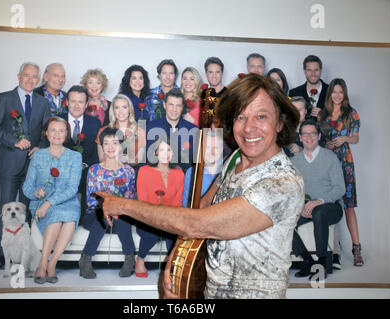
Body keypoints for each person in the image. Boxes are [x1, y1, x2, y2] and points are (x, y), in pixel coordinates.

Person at [98, 74, 303, 299]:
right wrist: (175, 263)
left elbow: (198, 223)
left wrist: (123, 205)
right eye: (241, 116)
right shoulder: (235, 158)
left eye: (261, 116)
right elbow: (201, 207)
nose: (249, 128)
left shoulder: (282, 184)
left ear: (280, 122)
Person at [0, 62, 51, 270]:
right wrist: (13, 141)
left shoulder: (42, 102)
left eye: (35, 76)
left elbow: (47, 131)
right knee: (5, 208)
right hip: (9, 162)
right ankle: (1, 253)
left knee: (25, 211)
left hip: (32, 165)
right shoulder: (4, 98)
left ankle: (23, 252)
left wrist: (41, 147)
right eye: (27, 75)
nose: (31, 80)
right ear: (18, 76)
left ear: (39, 79)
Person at [22, 116, 83, 284]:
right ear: (46, 134)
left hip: (67, 201)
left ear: (66, 135)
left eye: (61, 131)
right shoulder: (38, 156)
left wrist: (49, 203)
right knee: (57, 217)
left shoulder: (75, 157)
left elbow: (72, 188)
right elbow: (26, 187)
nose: (57, 134)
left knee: (69, 217)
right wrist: (36, 193)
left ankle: (51, 264)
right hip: (41, 204)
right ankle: (43, 263)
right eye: (53, 130)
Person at [78, 127, 136, 279]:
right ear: (102, 146)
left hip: (119, 217)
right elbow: (91, 199)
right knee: (102, 216)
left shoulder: (129, 171)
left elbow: (129, 198)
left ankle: (130, 258)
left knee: (124, 218)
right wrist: (108, 209)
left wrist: (117, 210)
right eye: (106, 143)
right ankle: (85, 259)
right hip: (95, 216)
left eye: (115, 143)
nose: (110, 147)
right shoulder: (94, 170)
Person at [291, 120, 345, 278]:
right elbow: (293, 190)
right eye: (305, 134)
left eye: (313, 133)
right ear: (300, 137)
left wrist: (318, 201)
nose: (309, 137)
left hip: (329, 206)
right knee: (283, 219)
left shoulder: (330, 158)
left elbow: (340, 188)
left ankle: (321, 263)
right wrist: (301, 205)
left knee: (319, 213)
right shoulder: (295, 162)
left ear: (319, 136)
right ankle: (308, 262)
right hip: (306, 206)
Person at [319, 78, 363, 267]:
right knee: (327, 204)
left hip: (345, 162)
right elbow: (317, 139)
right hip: (327, 161)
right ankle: (331, 251)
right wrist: (325, 144)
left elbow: (356, 139)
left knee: (348, 205)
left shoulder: (351, 113)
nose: (337, 95)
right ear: (330, 94)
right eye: (334, 92)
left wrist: (344, 138)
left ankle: (356, 248)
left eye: (340, 92)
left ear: (344, 94)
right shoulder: (323, 114)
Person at [135, 138, 184, 277]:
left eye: (169, 149)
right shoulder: (144, 171)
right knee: (152, 233)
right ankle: (140, 259)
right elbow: (142, 201)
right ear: (156, 152)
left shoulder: (179, 174)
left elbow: (177, 202)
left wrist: (168, 219)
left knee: (174, 233)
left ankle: (170, 266)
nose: (165, 153)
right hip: (147, 217)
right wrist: (156, 217)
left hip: (169, 218)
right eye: (162, 149)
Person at [62, 85, 101, 222]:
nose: (76, 105)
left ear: (86, 105)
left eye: (80, 102)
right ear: (66, 102)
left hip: (86, 169)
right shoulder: (57, 120)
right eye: (73, 101)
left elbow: (97, 153)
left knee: (92, 176)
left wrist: (84, 165)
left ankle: (86, 220)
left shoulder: (95, 123)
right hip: (61, 169)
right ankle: (63, 218)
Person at [146, 88, 198, 172]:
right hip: (157, 175)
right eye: (171, 104)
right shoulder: (152, 127)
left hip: (182, 178)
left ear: (182, 107)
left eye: (178, 105)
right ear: (164, 105)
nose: (174, 109)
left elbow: (193, 162)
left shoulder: (192, 130)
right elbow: (149, 157)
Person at [96, 94, 146, 167]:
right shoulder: (103, 131)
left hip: (131, 171)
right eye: (117, 108)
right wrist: (117, 158)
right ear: (113, 110)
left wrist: (129, 160)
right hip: (108, 171)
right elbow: (101, 159)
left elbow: (139, 159)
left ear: (129, 109)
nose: (121, 111)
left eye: (124, 107)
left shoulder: (139, 131)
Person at [182, 129, 223, 207]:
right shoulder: (192, 173)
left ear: (221, 149)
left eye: (215, 148)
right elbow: (186, 204)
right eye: (207, 148)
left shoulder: (229, 167)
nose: (212, 152)